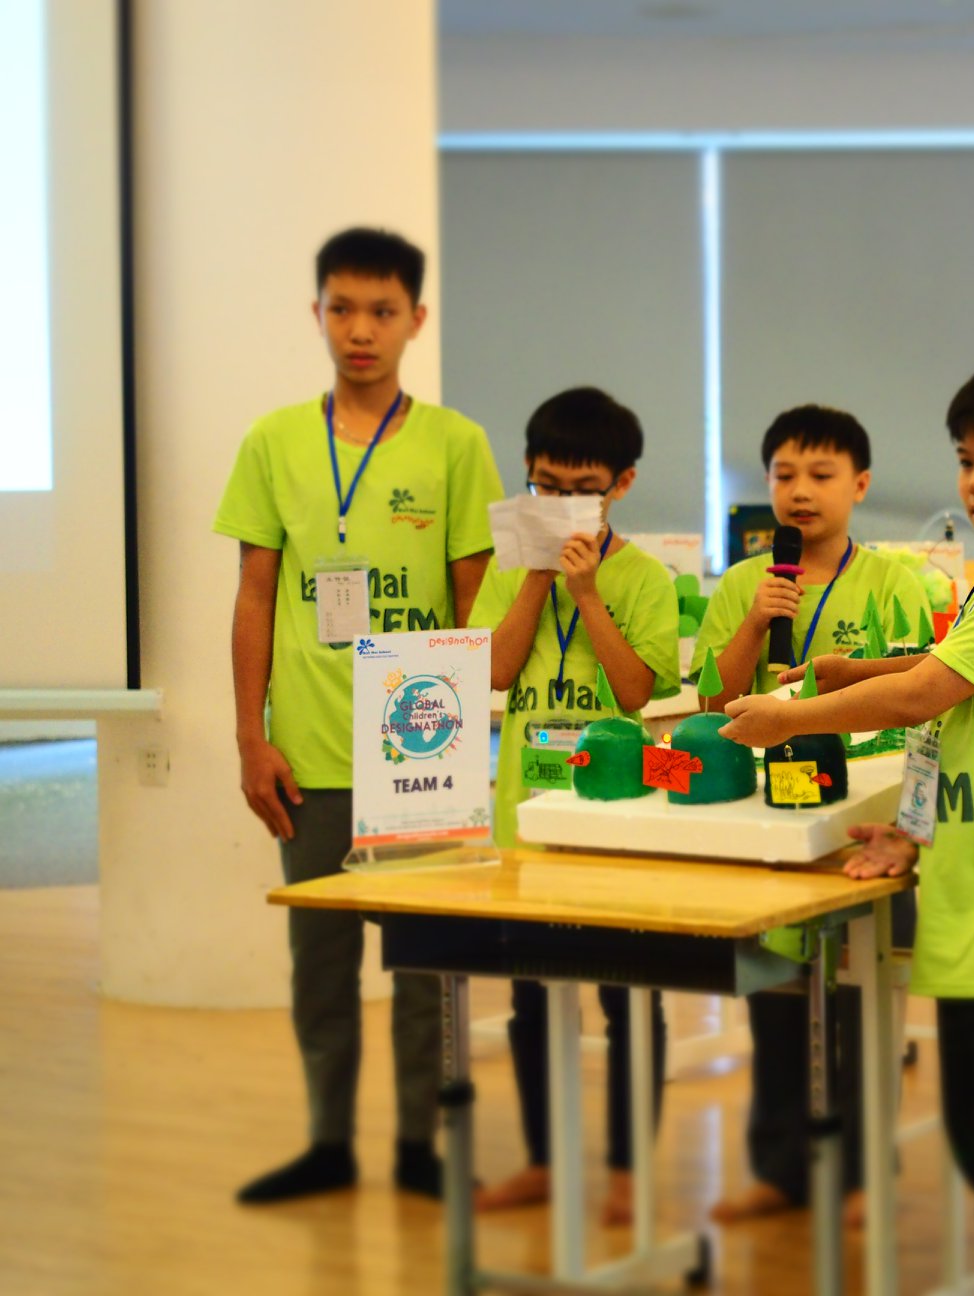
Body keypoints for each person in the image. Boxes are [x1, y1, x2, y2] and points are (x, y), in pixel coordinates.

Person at [722, 357, 974, 1295]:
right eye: (966, 461)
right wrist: (902, 814)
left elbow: (925, 693)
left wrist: (792, 713)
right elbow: (953, 692)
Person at [214, 227, 505, 1203]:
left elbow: (474, 604)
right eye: (342, 309)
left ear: (416, 319)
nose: (361, 330)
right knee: (320, 965)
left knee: (424, 966)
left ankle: (420, 1145)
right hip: (307, 752)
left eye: (382, 311)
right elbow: (256, 595)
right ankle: (329, 1143)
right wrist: (250, 737)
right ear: (317, 315)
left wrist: (468, 747)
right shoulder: (273, 441)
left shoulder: (456, 443)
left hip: (422, 749)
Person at [693, 405, 929, 1225]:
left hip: (864, 810)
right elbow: (713, 701)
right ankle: (781, 1168)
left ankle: (863, 1170)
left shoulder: (895, 582)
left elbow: (916, 691)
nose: (800, 491)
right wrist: (755, 620)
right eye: (784, 474)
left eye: (821, 475)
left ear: (859, 485)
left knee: (860, 999)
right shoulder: (742, 584)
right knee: (776, 995)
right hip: (770, 813)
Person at [467, 386, 682, 1219]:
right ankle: (546, 1161)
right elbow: (492, 673)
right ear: (528, 472)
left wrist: (588, 595)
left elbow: (634, 694)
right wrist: (535, 579)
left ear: (621, 484)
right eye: (546, 487)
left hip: (615, 821)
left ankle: (629, 1169)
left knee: (629, 997)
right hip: (524, 818)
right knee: (532, 998)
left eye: (581, 491)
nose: (560, 505)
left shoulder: (646, 579)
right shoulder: (506, 568)